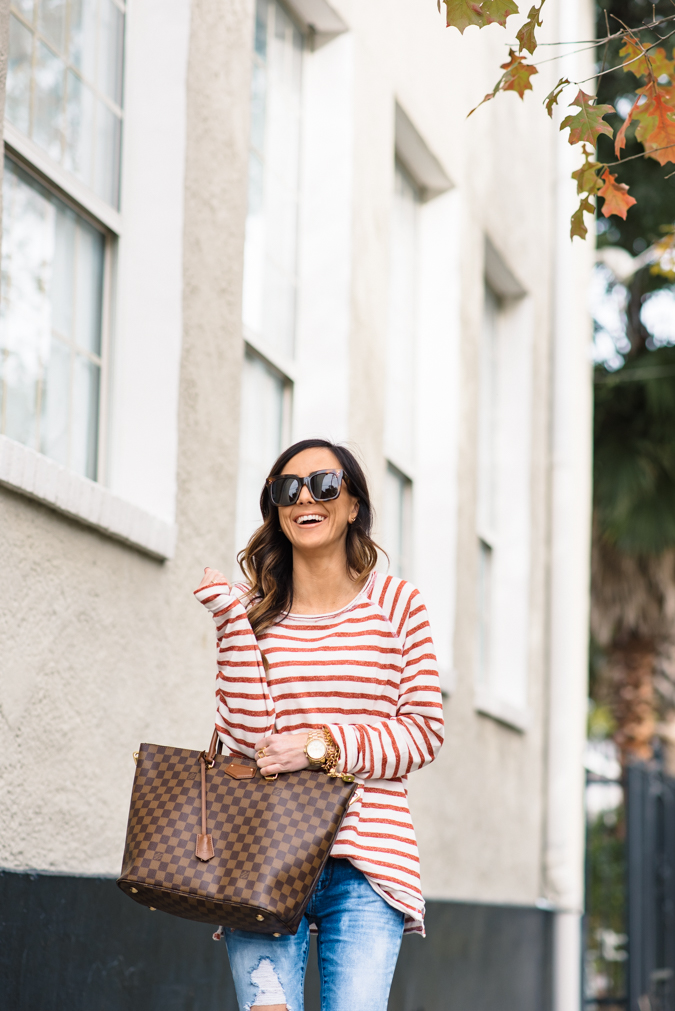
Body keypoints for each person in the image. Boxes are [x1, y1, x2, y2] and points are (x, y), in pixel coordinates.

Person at [194, 438, 444, 1011]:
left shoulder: (399, 605)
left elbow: (423, 731)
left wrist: (320, 746)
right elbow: (244, 738)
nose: (306, 497)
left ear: (353, 503)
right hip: (262, 854)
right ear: (276, 509)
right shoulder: (255, 612)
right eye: (288, 488)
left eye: (325, 484)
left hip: (367, 859)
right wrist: (232, 622)